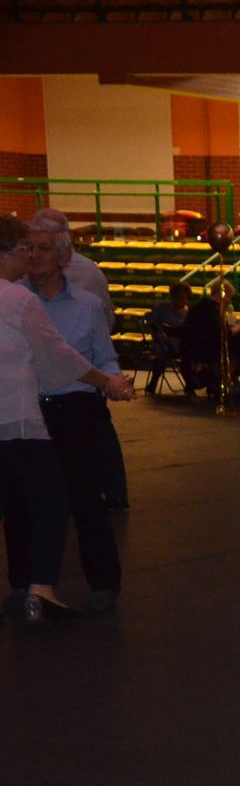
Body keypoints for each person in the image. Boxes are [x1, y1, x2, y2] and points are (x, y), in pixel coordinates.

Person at [0, 215, 133, 627]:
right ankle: (27, 587)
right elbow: (58, 357)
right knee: (21, 503)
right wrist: (105, 381)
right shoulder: (17, 297)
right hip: (29, 410)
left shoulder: (87, 306)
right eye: (28, 248)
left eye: (43, 249)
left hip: (73, 409)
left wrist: (113, 379)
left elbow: (101, 355)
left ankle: (101, 583)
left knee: (83, 497)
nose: (34, 256)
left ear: (64, 258)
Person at [143, 282, 192, 395]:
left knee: (187, 350)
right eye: (179, 297)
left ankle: (190, 383)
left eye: (184, 298)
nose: (182, 301)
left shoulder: (187, 312)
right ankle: (154, 382)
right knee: (163, 350)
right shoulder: (162, 307)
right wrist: (158, 334)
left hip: (179, 341)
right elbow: (150, 322)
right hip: (161, 341)